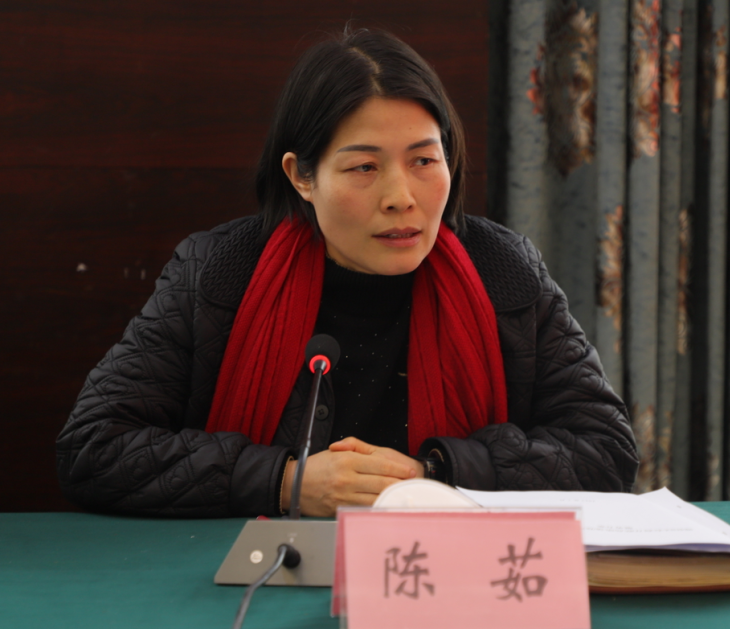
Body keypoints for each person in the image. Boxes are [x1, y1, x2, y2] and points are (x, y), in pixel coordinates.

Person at [56, 28, 638, 518]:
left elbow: (606, 450)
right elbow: (93, 447)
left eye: (424, 160)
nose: (401, 196)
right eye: (364, 167)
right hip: (254, 576)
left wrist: (435, 474)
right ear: (302, 177)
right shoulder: (220, 271)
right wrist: (284, 480)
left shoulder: (501, 270)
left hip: (446, 579)